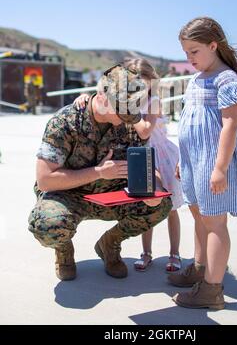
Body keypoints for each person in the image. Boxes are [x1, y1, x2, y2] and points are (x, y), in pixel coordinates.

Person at [28, 64, 172, 281]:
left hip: (110, 197)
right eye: (121, 112)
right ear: (104, 98)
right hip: (67, 195)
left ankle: (109, 244)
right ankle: (64, 249)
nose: (126, 119)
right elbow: (46, 180)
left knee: (161, 205)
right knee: (46, 225)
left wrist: (155, 188)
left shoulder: (131, 124)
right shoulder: (65, 122)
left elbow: (148, 166)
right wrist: (98, 173)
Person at [169, 17, 237, 310]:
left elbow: (230, 125)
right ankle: (199, 267)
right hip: (193, 160)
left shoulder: (225, 78)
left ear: (213, 45)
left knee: (215, 221)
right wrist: (182, 159)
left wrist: (220, 168)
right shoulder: (196, 79)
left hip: (212, 161)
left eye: (194, 51)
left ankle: (212, 289)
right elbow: (188, 122)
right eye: (186, 53)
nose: (189, 59)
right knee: (198, 215)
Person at [74, 59, 184, 273]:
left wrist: (126, 109)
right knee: (145, 201)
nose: (139, 89)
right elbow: (101, 103)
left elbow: (145, 131)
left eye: (142, 84)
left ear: (152, 81)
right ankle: (147, 252)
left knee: (170, 208)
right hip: (137, 154)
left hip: (159, 155)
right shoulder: (126, 100)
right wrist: (86, 97)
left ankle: (174, 253)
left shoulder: (153, 102)